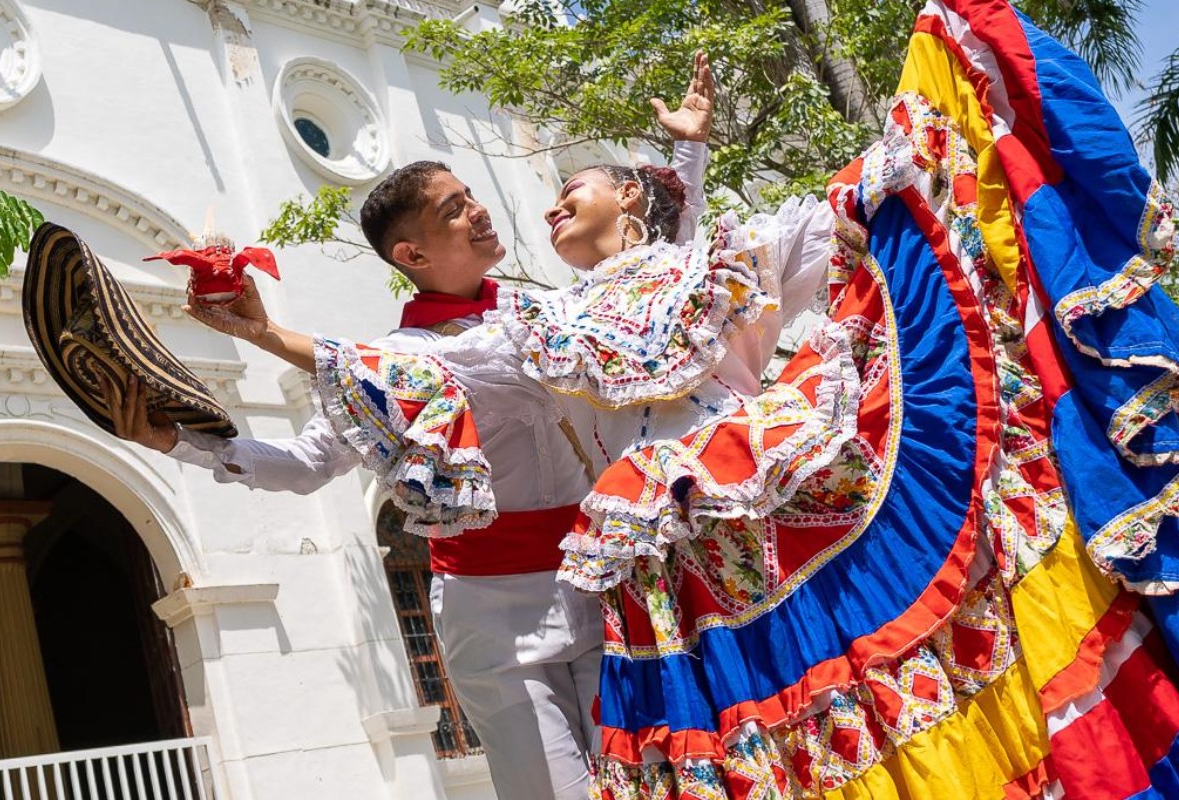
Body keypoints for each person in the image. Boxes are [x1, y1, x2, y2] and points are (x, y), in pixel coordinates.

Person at [160, 3, 1179, 795]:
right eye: (464, 212)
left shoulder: (638, 280)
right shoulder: (525, 328)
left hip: (720, 529)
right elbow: (421, 376)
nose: (507, 210)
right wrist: (242, 363)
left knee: (845, 702)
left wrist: (927, 105)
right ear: (413, 254)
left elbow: (784, 235)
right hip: (631, 574)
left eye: (536, 197)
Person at [106, 53, 721, 800]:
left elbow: (656, 280)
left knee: (658, 782)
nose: (480, 210)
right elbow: (304, 463)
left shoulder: (542, 315)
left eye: (471, 195)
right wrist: (179, 443)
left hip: (600, 588)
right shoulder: (394, 364)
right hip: (495, 622)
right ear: (413, 255)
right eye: (455, 208)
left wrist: (690, 147)